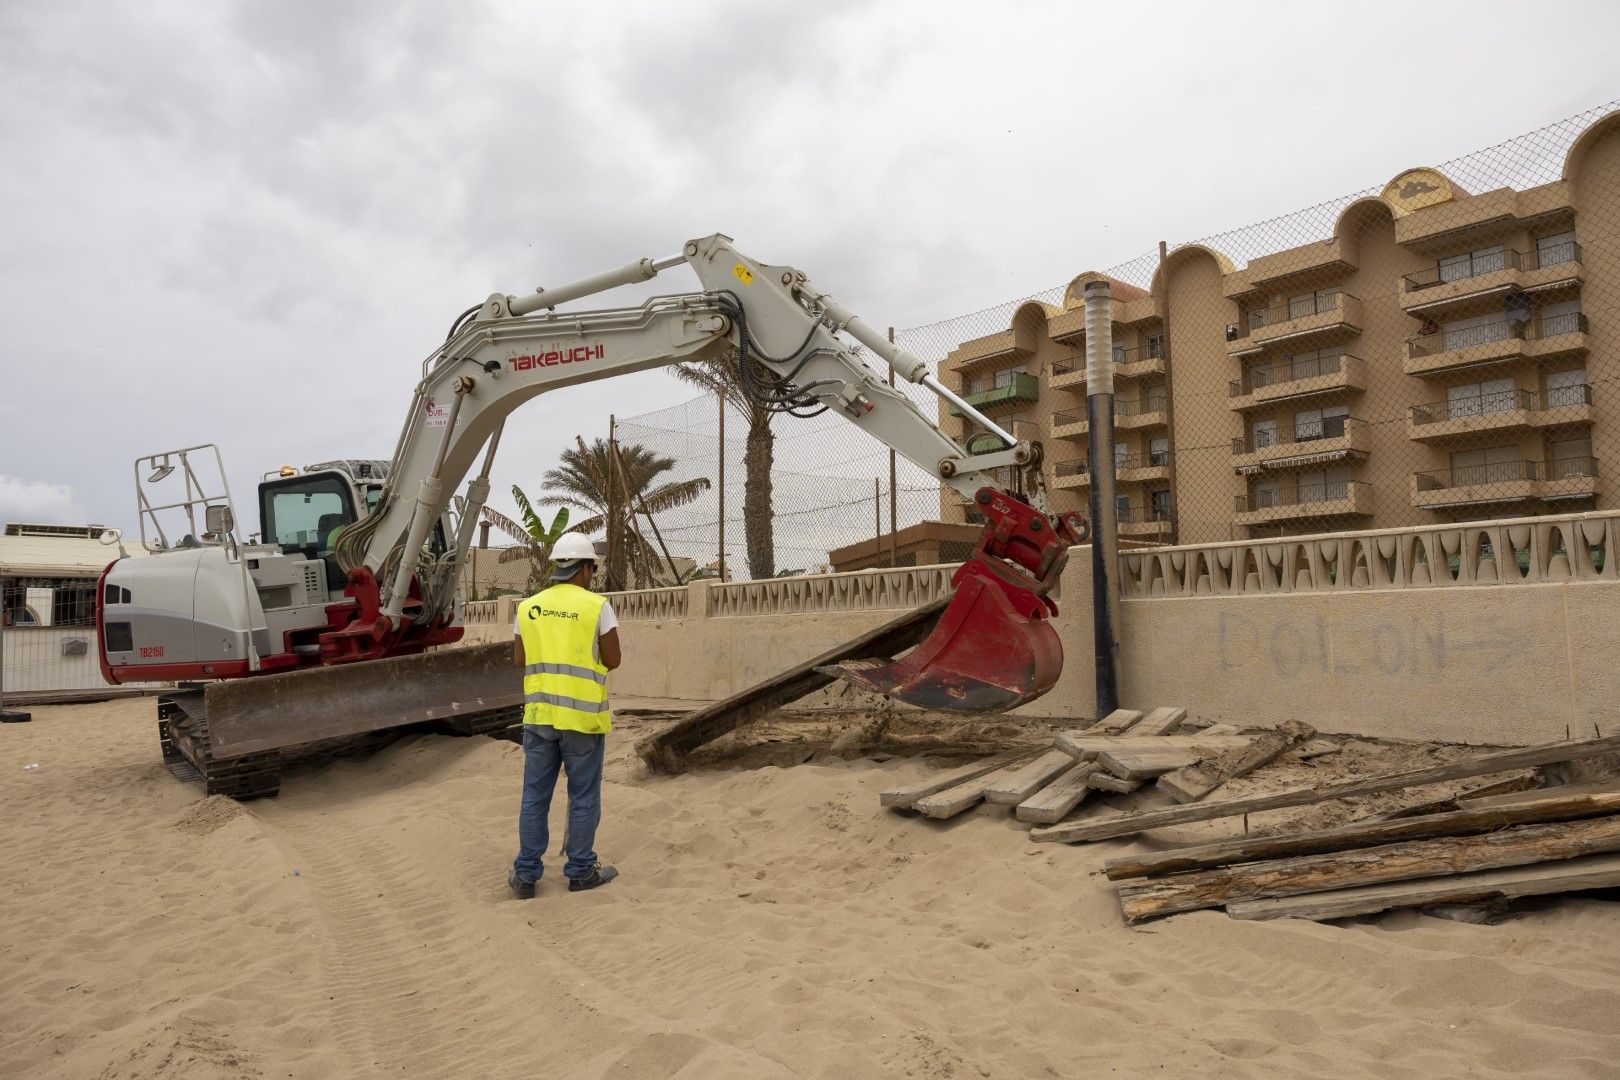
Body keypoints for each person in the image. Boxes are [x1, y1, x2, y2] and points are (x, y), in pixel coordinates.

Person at [508, 533, 622, 898]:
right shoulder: (596, 606)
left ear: (558, 566)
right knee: (584, 794)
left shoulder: (528, 608)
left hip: (540, 717)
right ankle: (580, 870)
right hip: (582, 721)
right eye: (592, 568)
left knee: (534, 796)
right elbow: (614, 660)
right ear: (585, 569)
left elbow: (519, 659)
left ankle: (526, 875)